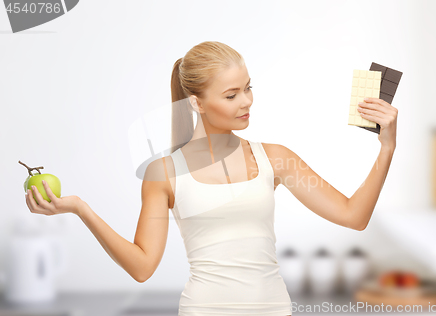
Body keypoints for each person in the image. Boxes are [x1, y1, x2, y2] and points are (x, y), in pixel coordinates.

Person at [24, 41, 398, 316]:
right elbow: (142, 267)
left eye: (249, 88)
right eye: (232, 94)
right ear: (196, 103)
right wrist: (80, 209)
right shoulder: (163, 173)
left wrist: (386, 148)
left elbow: (354, 216)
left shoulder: (275, 158)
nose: (247, 102)